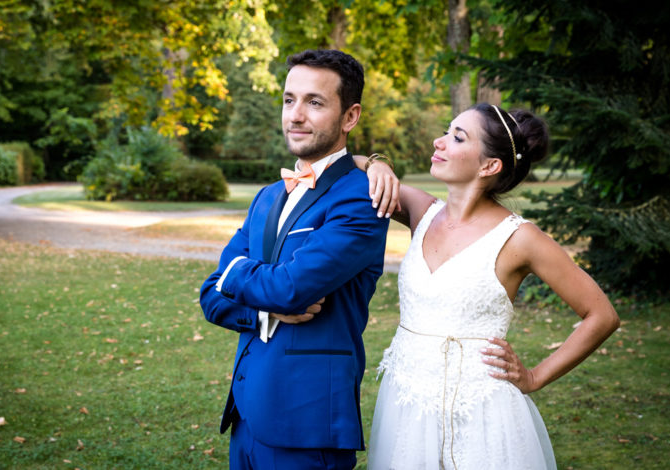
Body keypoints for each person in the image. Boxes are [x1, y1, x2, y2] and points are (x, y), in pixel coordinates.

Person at [357, 103, 620, 469]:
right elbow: (347, 164)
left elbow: (601, 315)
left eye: (457, 137)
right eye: (447, 131)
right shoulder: (421, 210)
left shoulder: (520, 238)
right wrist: (376, 163)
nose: (440, 141)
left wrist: (535, 377)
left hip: (482, 415)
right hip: (406, 407)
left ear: (489, 166)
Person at [199, 49, 390, 470]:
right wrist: (266, 313)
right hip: (246, 414)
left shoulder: (361, 197)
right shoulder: (267, 196)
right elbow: (210, 297)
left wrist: (234, 272)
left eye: (314, 102)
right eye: (289, 100)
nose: (296, 115)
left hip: (306, 421)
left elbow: (290, 288)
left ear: (350, 117)